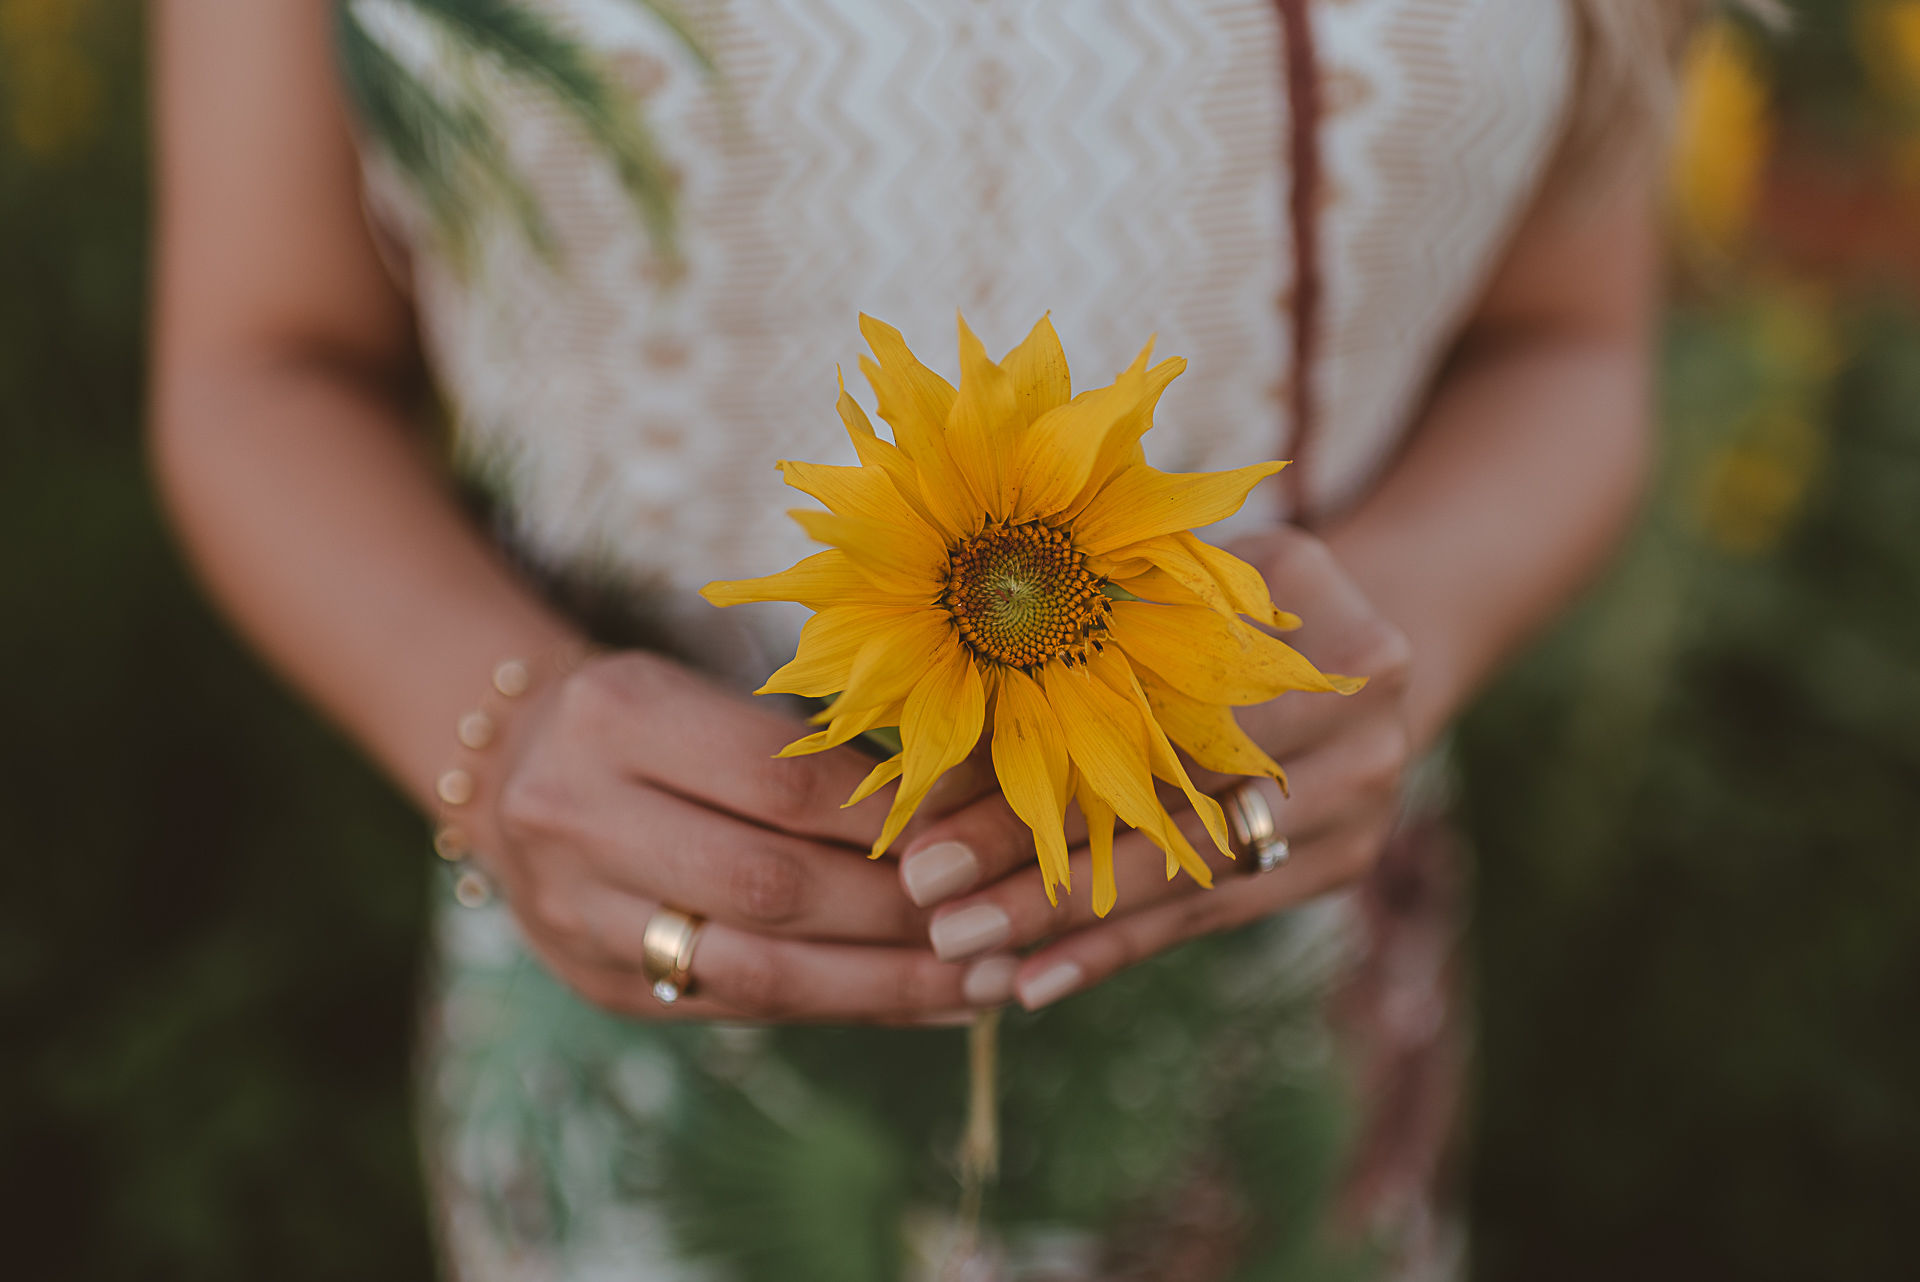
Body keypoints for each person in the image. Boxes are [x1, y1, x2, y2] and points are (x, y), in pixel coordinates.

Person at [150, 1, 1692, 1277]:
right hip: (648, 1026)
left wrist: (1390, 632)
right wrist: (495, 731)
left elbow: (1568, 337)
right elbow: (262, 360)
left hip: (1276, 997)